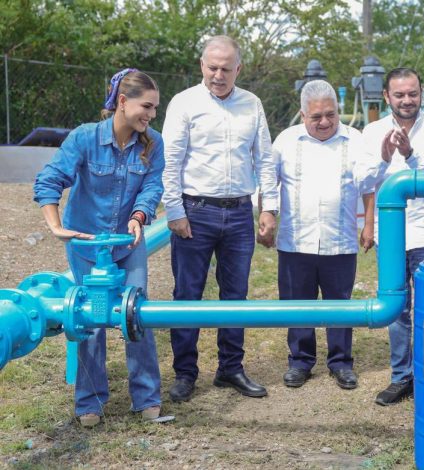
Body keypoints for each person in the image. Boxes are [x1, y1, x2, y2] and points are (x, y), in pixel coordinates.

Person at [33, 69, 165, 427]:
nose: (151, 115)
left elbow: (152, 187)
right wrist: (56, 226)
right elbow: (51, 179)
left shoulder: (152, 143)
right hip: (87, 246)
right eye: (146, 106)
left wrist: (138, 216)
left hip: (128, 243)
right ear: (123, 102)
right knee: (88, 317)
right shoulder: (85, 139)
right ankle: (89, 402)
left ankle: (147, 397)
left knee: (137, 311)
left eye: (154, 109)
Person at [161, 35, 278, 402]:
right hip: (195, 212)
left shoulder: (251, 104)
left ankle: (230, 368)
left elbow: (265, 159)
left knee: (235, 294)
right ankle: (185, 373)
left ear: (238, 69)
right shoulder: (184, 103)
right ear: (202, 66)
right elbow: (170, 162)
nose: (218, 74)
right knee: (188, 295)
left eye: (226, 68)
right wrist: (174, 210)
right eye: (212, 67)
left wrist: (269, 207)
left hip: (240, 212)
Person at [267, 80, 381, 390]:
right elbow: (268, 181)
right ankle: (300, 361)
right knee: (297, 302)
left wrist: (369, 225)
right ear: (302, 114)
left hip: (340, 238)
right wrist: (267, 215)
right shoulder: (286, 141)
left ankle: (341, 362)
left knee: (340, 303)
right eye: (316, 117)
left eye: (331, 114)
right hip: (296, 238)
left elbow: (368, 185)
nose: (325, 122)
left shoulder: (354, 139)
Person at [362, 67, 424, 406]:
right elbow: (361, 181)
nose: (406, 100)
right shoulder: (372, 131)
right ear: (387, 96)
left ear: (421, 93)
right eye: (399, 94)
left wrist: (411, 155)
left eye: (412, 93)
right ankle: (401, 377)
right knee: (397, 311)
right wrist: (385, 157)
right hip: (392, 237)